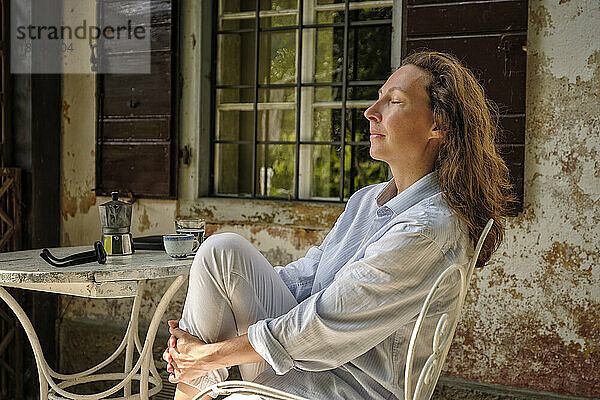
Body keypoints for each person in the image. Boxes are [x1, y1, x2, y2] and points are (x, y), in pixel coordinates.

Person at [163, 51, 512, 400]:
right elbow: (309, 275)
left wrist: (209, 356)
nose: (371, 113)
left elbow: (323, 323)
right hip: (304, 361)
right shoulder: (367, 200)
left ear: (439, 123)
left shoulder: (426, 229)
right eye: (378, 98)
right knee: (220, 250)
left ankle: (195, 377)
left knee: (218, 376)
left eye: (394, 101)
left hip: (346, 387)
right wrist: (199, 343)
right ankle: (192, 374)